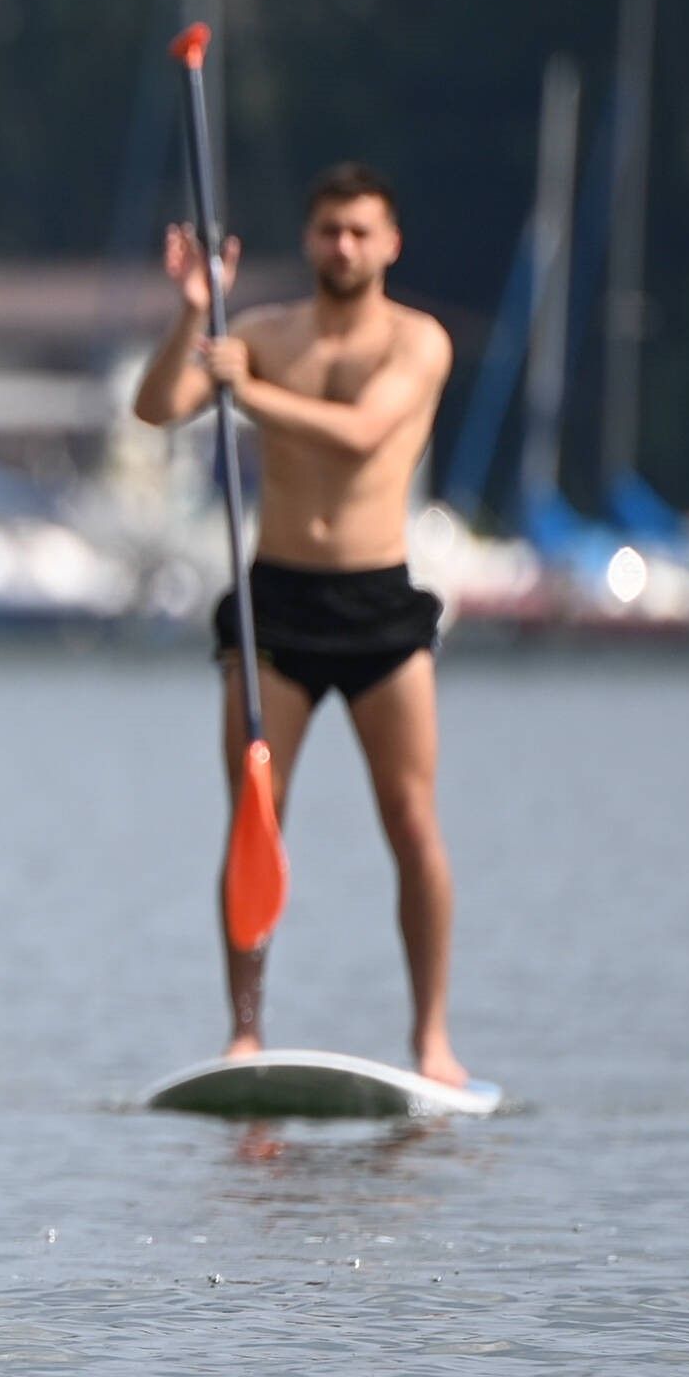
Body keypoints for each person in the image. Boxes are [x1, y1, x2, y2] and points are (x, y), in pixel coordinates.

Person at [132, 162, 467, 1084]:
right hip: (274, 602)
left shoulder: (418, 344)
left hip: (378, 607)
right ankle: (246, 1031)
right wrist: (196, 314)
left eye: (361, 231)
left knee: (410, 822)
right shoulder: (263, 333)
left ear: (390, 243)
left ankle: (431, 1038)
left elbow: (361, 434)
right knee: (255, 816)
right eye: (329, 230)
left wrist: (248, 389)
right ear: (310, 239)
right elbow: (158, 407)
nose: (344, 247)